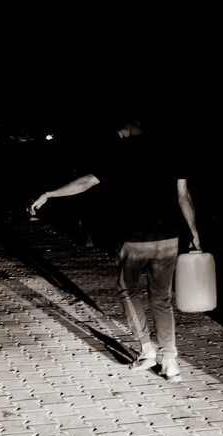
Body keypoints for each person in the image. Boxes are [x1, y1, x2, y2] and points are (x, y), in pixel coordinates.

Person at [27, 117, 201, 382]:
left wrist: (50, 193)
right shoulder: (170, 149)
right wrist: (195, 234)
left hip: (134, 239)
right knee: (161, 299)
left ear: (130, 123)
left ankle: (146, 351)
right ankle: (170, 361)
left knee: (128, 290)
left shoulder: (121, 151)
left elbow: (86, 182)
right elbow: (183, 195)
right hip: (168, 238)